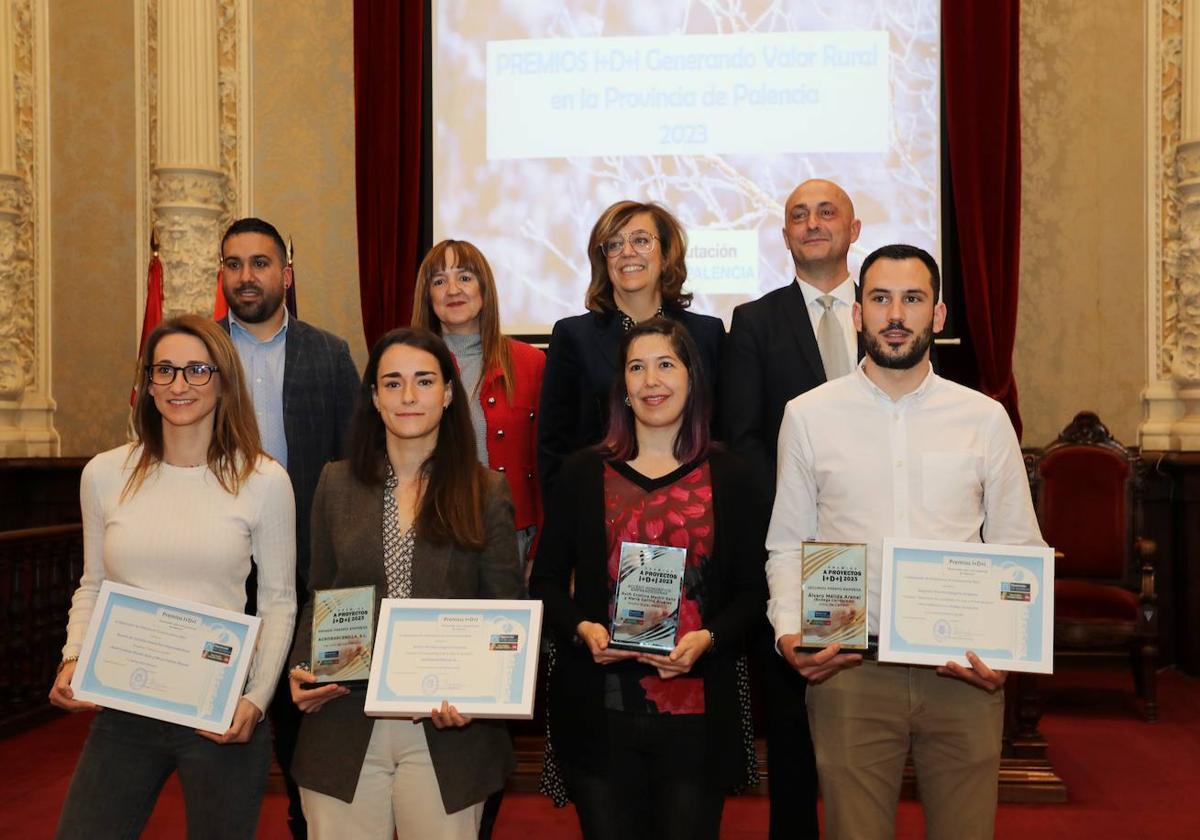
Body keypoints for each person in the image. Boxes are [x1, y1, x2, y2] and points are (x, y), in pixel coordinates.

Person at [767, 244, 1045, 840]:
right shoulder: (809, 415)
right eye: (881, 298)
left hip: (964, 671)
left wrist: (1011, 654)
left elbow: (1018, 548)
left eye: (913, 299)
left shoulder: (984, 418)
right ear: (857, 314)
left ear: (938, 316)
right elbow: (788, 543)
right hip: (849, 669)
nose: (897, 314)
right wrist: (790, 631)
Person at [50, 315, 297, 839]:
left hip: (220, 709)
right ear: (148, 382)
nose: (179, 385)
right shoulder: (104, 474)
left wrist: (256, 700)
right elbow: (93, 583)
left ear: (223, 379)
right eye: (165, 370)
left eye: (196, 370)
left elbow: (279, 603)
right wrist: (73, 656)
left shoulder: (264, 480)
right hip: (125, 704)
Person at [530, 318, 767, 840]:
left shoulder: (731, 475)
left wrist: (709, 638)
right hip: (600, 711)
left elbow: (755, 592)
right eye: (637, 367)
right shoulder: (580, 473)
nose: (651, 380)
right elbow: (544, 583)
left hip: (698, 714)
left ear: (692, 378)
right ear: (622, 386)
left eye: (666, 364)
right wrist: (582, 630)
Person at [286, 328, 520, 839]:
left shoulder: (486, 490)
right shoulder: (335, 483)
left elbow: (506, 614)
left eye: (423, 381)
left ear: (449, 392)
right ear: (373, 397)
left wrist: (482, 696)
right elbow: (319, 594)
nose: (408, 396)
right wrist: (302, 669)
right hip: (344, 720)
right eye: (392, 383)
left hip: (446, 731)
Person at [720, 177, 862, 839]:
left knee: (877, 722)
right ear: (784, 237)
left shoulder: (887, 310)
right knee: (794, 721)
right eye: (799, 216)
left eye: (825, 212)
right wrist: (798, 516)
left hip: (882, 543)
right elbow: (744, 437)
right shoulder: (755, 321)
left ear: (852, 229)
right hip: (795, 549)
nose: (812, 224)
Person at [219, 216, 361, 838]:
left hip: (311, 570)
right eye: (233, 264)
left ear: (287, 273)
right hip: (219, 568)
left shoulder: (328, 353)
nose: (246, 276)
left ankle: (311, 822)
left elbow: (356, 460)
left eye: (260, 263)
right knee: (224, 710)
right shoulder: (198, 354)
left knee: (312, 715)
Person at [537, 200, 724, 494]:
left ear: (665, 254)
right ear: (604, 261)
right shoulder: (573, 336)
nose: (627, 252)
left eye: (640, 240)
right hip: (598, 507)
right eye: (613, 244)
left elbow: (722, 433)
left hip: (695, 503)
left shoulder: (707, 334)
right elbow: (554, 447)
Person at [411, 239, 545, 584]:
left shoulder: (531, 363)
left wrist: (541, 549)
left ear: (484, 288)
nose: (452, 289)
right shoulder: (408, 364)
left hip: (514, 538)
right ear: (428, 295)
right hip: (431, 534)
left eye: (465, 277)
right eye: (439, 281)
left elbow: (547, 464)